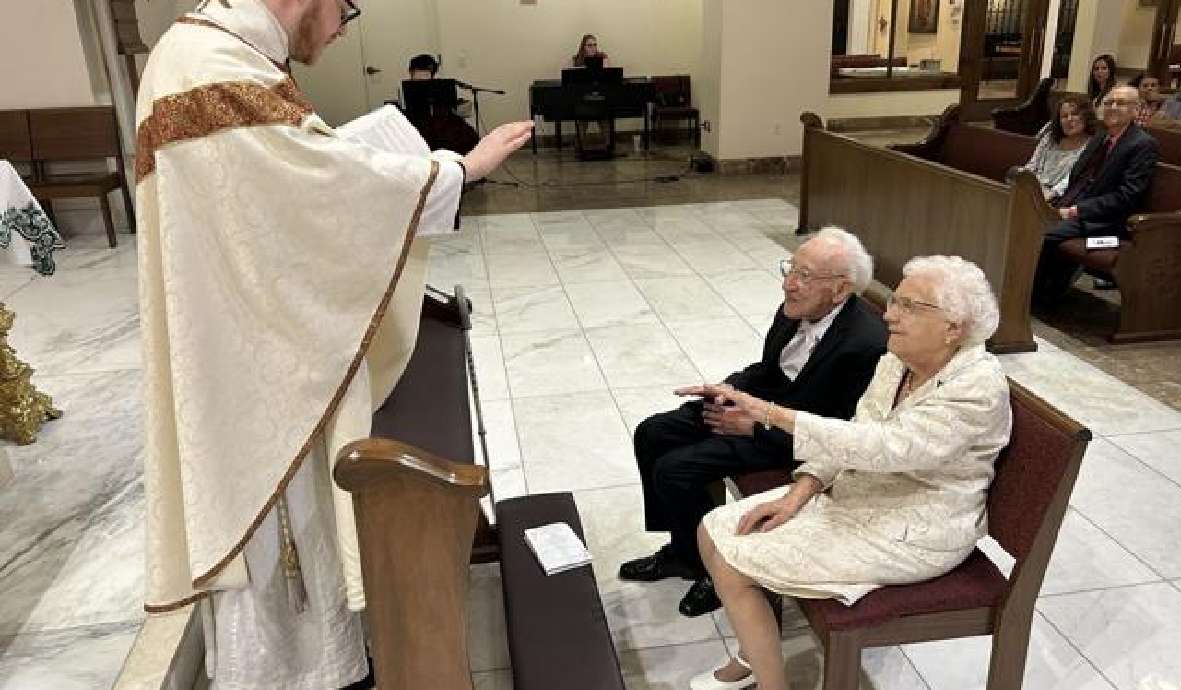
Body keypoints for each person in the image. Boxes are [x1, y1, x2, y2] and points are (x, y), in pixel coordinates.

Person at [134, 1, 532, 688]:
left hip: (255, 333)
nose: (346, 25)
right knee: (282, 582)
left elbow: (281, 189)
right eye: (345, 7)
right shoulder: (210, 67)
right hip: (257, 371)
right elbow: (316, 193)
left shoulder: (215, 53)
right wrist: (458, 171)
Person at [686, 255, 1011, 690]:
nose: (890, 315)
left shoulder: (978, 387)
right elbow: (858, 431)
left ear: (955, 327)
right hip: (864, 494)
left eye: (911, 307)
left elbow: (884, 448)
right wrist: (797, 494)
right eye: (895, 301)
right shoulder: (899, 361)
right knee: (712, 530)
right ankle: (755, 651)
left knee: (732, 562)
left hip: (918, 528)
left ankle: (770, 683)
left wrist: (770, 413)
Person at [619, 228, 888, 617]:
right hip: (763, 409)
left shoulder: (864, 345)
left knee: (675, 469)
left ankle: (715, 568)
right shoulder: (796, 308)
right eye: (790, 269)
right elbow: (768, 369)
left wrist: (756, 426)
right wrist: (729, 390)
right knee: (653, 433)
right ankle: (684, 551)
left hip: (795, 440)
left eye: (805, 275)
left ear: (841, 289)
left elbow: (839, 430)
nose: (788, 284)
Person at [1033, 85, 1158, 303]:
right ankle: (1033, 288)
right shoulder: (1102, 137)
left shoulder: (1142, 144)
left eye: (1121, 103)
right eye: (1109, 103)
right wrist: (1059, 204)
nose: (1113, 107)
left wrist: (1077, 210)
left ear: (1136, 110)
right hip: (1081, 208)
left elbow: (1127, 196)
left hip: (1110, 220)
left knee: (1044, 232)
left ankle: (1037, 295)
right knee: (1031, 221)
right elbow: (1079, 177)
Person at [1023, 94, 1095, 200]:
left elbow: (1072, 181)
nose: (1069, 119)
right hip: (1035, 190)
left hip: (1061, 198)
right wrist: (1022, 180)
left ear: (1086, 116)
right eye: (1064, 116)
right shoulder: (1050, 138)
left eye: (1075, 114)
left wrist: (1050, 194)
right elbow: (1032, 165)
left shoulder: (1092, 145)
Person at [1088, 54, 1117, 119]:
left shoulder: (1114, 93)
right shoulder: (1094, 94)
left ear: (1110, 71)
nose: (1099, 71)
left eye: (1104, 68)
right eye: (1096, 69)